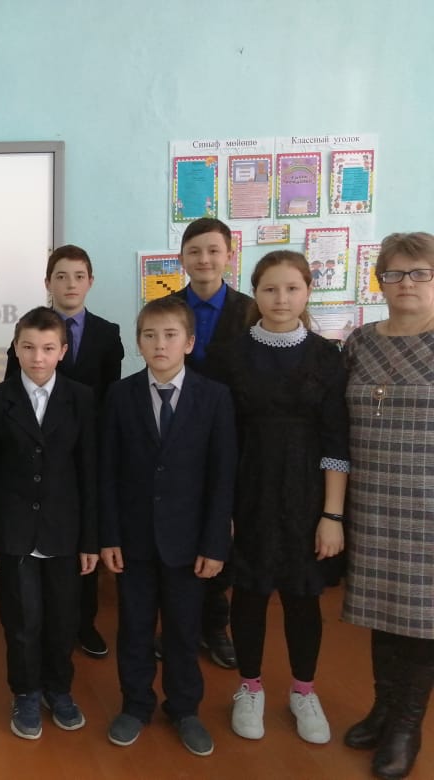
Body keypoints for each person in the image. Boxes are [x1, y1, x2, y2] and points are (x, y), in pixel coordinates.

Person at [207, 251, 348, 746]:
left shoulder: (328, 355)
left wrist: (332, 515)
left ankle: (304, 690)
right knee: (248, 593)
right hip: (248, 490)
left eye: (292, 288)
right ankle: (249, 687)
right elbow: (219, 439)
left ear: (308, 291)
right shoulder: (229, 354)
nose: (281, 299)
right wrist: (221, 510)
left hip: (308, 495)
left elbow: (336, 440)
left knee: (303, 597)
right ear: (256, 292)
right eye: (270, 289)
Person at [99, 296, 236, 757]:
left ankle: (185, 708)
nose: (160, 344)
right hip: (133, 541)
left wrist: (215, 544)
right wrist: (109, 535)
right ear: (139, 343)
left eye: (170, 335)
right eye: (150, 335)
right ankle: (136, 704)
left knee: (183, 630)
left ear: (189, 342)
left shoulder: (214, 397)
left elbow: (222, 476)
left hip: (190, 543)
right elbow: (107, 472)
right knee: (135, 629)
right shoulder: (120, 396)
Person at [0, 306, 99, 740]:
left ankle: (58, 689)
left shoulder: (82, 398)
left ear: (63, 350)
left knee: (63, 619)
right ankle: (26, 692)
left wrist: (91, 539)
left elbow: (89, 472)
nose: (38, 357)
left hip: (65, 531)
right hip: (13, 531)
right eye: (28, 347)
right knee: (21, 620)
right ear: (15, 348)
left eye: (48, 348)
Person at [342, 232, 434, 779]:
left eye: (419, 273)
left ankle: (406, 724)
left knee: (422, 616)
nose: (406, 283)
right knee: (383, 608)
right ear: (380, 281)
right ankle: (382, 707)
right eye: (395, 273)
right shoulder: (360, 342)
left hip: (427, 504)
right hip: (372, 499)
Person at [4, 244, 122, 659]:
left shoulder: (107, 333)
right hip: (36, 455)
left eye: (78, 276)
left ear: (90, 282)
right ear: (48, 283)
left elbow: (111, 395)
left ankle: (83, 623)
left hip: (83, 449)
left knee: (81, 541)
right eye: (61, 276)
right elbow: (12, 395)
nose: (70, 284)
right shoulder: (29, 332)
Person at [168, 216, 253, 670]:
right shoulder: (166, 309)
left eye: (213, 250)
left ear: (229, 256)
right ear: (182, 258)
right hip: (174, 440)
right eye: (194, 251)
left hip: (233, 437)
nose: (204, 259)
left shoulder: (250, 310)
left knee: (223, 531)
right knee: (178, 528)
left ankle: (216, 625)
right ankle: (178, 624)